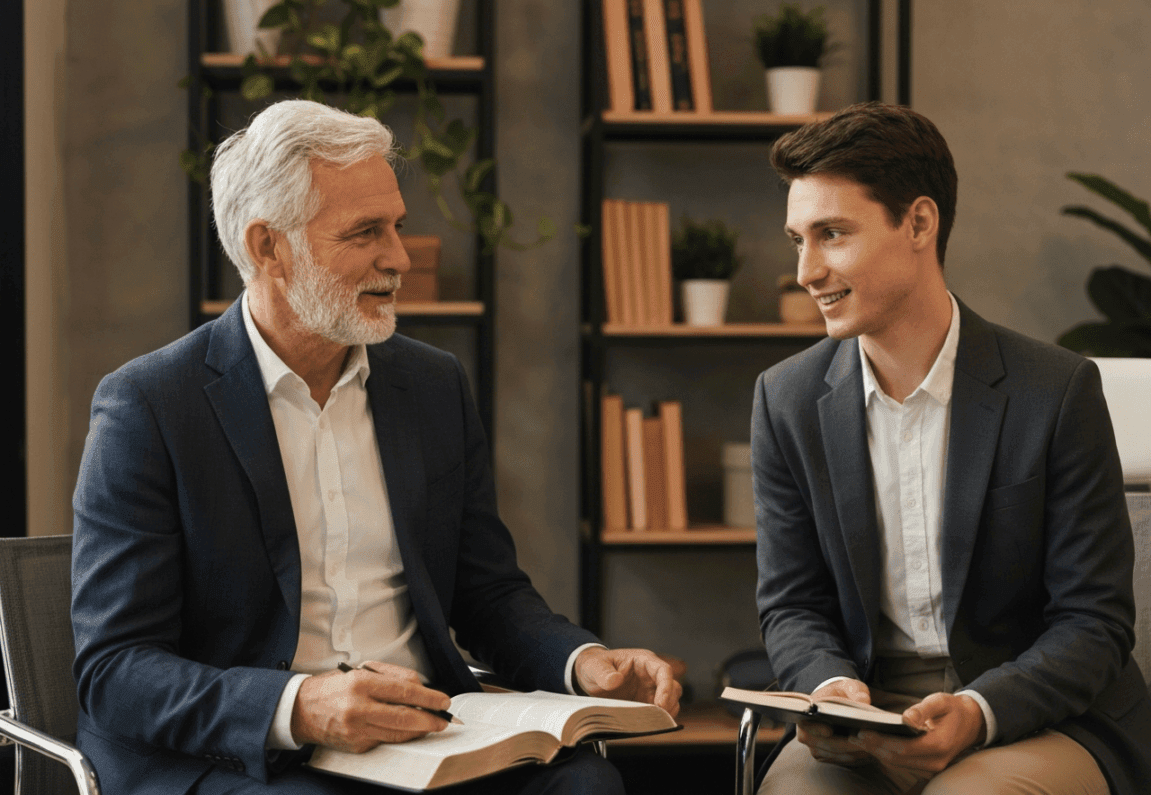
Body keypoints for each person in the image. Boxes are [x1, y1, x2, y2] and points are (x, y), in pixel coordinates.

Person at [71, 99, 680, 795]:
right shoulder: (150, 404)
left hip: (426, 736)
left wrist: (581, 662)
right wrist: (301, 707)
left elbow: (485, 591)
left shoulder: (431, 385)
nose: (398, 258)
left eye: (397, 227)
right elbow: (114, 668)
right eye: (365, 233)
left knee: (586, 788)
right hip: (248, 755)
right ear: (268, 247)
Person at [751, 101, 1151, 795]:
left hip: (1039, 712)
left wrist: (975, 712)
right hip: (867, 707)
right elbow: (791, 605)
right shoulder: (783, 400)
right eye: (797, 240)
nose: (806, 270)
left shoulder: (1055, 392)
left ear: (918, 223)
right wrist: (832, 688)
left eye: (832, 235)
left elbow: (1094, 621)